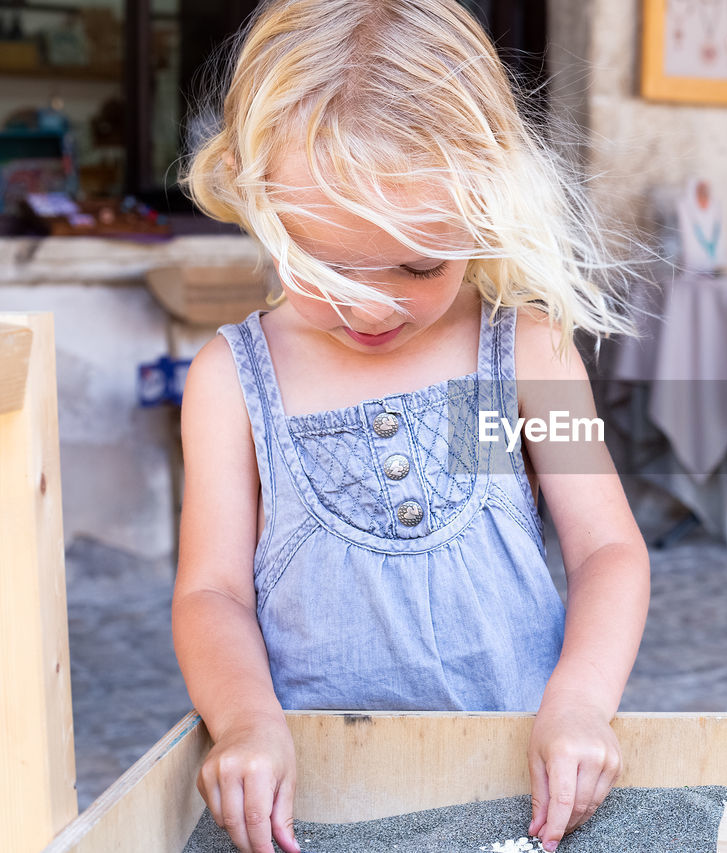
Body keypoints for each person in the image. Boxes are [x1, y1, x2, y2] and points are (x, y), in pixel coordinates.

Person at [173, 2, 650, 852]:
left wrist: (577, 705)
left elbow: (605, 548)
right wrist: (246, 722)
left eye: (418, 263)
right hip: (321, 809)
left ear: (490, 201)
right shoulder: (234, 383)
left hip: (517, 803)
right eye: (323, 262)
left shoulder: (526, 360)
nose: (370, 302)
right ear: (259, 199)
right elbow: (213, 592)